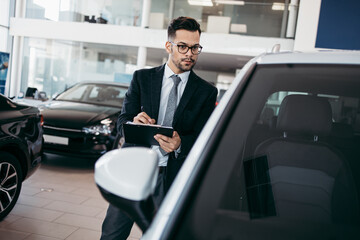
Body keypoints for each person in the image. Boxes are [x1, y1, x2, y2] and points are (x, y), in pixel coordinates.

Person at [100, 16, 218, 240]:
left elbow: (204, 137)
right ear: (169, 46)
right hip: (133, 171)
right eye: (182, 46)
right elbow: (122, 123)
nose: (189, 53)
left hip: (170, 178)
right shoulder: (142, 78)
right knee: (112, 235)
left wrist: (180, 142)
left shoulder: (206, 92)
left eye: (195, 48)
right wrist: (134, 121)